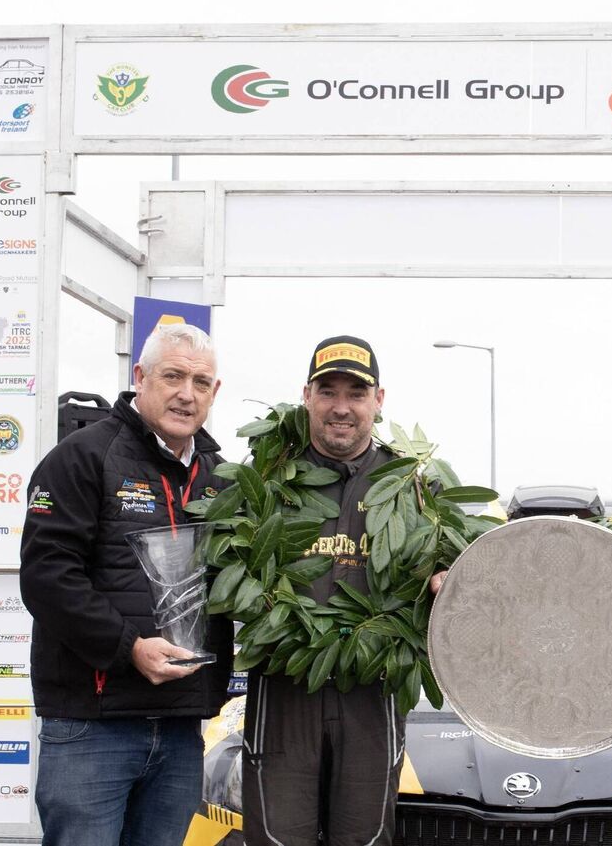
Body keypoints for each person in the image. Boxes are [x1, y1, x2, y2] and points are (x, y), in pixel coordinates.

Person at [19, 323, 233, 846]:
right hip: (94, 724)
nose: (187, 393)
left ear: (214, 393)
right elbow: (47, 576)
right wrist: (128, 649)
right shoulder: (82, 456)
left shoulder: (222, 478)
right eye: (173, 376)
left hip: (182, 726)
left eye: (201, 382)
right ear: (140, 377)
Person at [243, 335, 403, 846]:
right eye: (327, 390)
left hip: (372, 694)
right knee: (276, 837)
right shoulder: (265, 480)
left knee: (365, 838)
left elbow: (454, 577)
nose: (341, 407)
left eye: (356, 393)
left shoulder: (415, 485)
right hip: (284, 690)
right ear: (305, 396)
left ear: (379, 400)